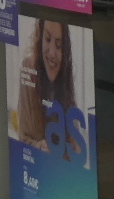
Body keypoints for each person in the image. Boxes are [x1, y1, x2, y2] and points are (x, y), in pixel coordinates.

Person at [15, 19, 80, 157]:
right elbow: (23, 137)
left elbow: (77, 150)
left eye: (59, 45)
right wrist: (38, 147)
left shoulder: (65, 81)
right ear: (40, 40)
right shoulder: (28, 69)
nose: (51, 53)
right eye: (47, 39)